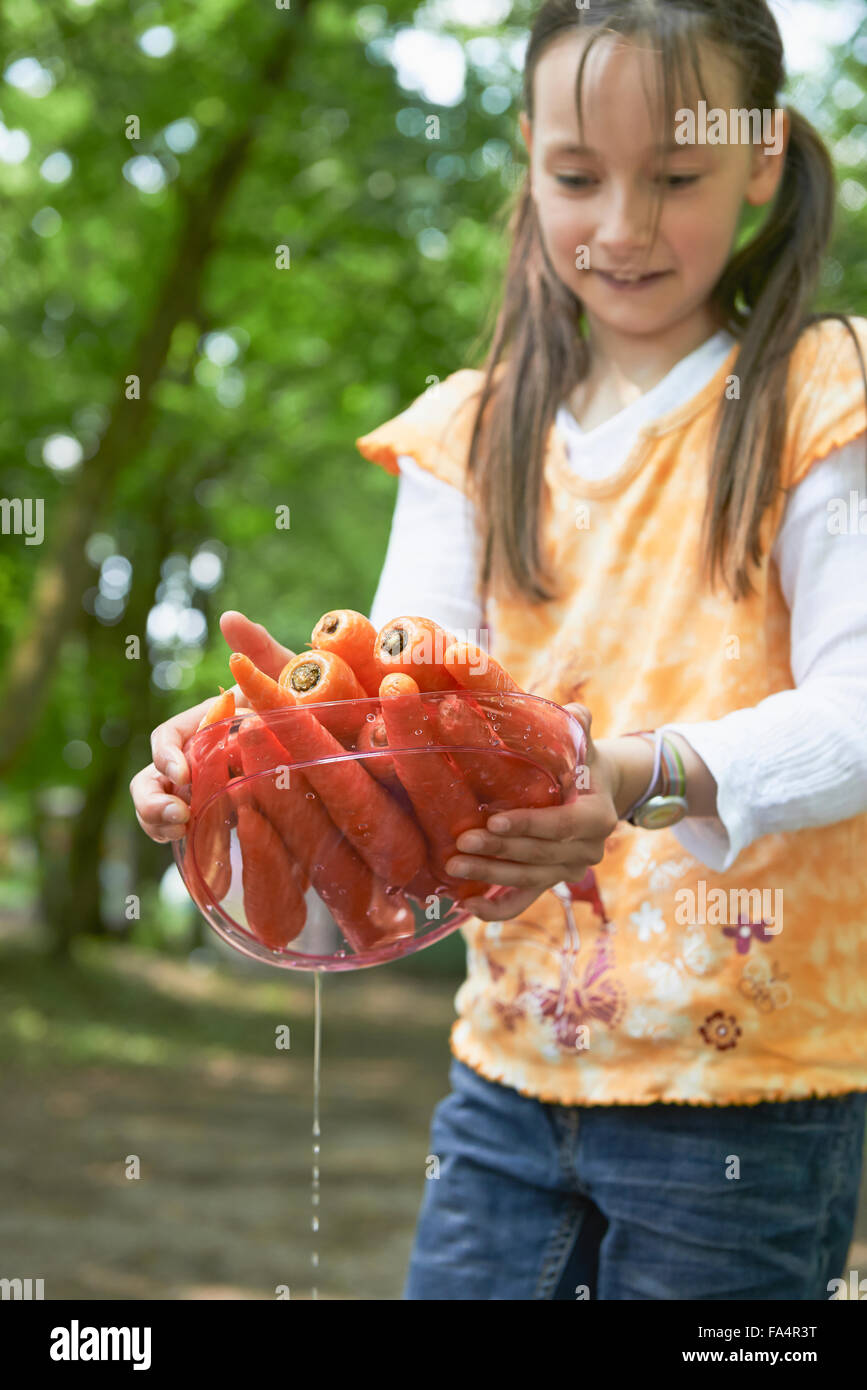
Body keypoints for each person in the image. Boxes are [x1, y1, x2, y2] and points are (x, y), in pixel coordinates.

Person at [131, 0, 867, 1300]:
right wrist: (240, 758)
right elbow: (386, 727)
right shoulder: (466, 433)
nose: (624, 225)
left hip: (750, 1090)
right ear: (528, 153)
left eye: (678, 177)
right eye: (579, 176)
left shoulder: (820, 392)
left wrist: (632, 773)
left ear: (763, 160)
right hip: (505, 1077)